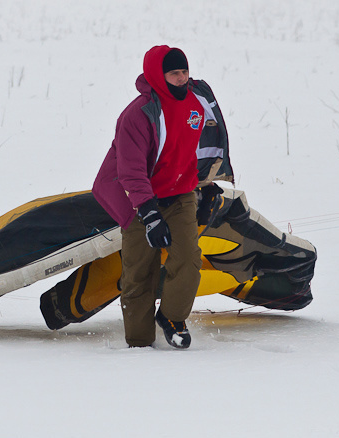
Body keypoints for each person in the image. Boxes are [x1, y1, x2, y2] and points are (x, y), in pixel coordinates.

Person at [92, 45, 233, 348]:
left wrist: (207, 187)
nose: (182, 78)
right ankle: (140, 342)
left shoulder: (196, 106)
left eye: (185, 71)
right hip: (138, 199)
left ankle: (171, 317)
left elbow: (192, 154)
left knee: (189, 259)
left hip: (180, 194)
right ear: (159, 75)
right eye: (174, 73)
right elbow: (129, 171)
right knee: (139, 272)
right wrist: (150, 214)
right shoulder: (136, 116)